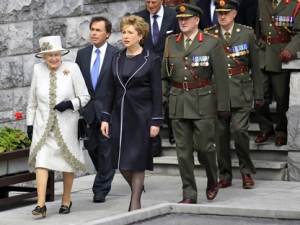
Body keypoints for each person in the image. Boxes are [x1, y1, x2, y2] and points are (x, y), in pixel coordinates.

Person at [161, 3, 230, 204]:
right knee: (183, 153)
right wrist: (162, 99)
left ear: (197, 20)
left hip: (203, 102)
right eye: (180, 19)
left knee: (206, 148)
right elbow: (164, 75)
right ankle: (189, 193)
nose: (182, 22)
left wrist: (223, 105)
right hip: (178, 101)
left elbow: (221, 77)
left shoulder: (211, 42)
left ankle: (211, 179)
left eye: (187, 19)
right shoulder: (170, 42)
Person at [100, 15, 163, 211]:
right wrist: (105, 117)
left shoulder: (151, 59)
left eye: (130, 33)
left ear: (140, 35)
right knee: (122, 163)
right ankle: (138, 187)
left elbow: (157, 93)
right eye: (124, 32)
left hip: (142, 116)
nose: (125, 36)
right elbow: (110, 90)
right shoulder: (116, 57)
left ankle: (134, 203)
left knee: (137, 161)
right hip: (120, 116)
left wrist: (156, 121)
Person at [27, 36, 90, 217]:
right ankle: (41, 204)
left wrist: (70, 104)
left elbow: (85, 97)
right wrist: (30, 124)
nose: (53, 59)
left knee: (67, 162)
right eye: (49, 56)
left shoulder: (72, 69)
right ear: (43, 57)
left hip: (67, 124)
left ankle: (66, 199)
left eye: (56, 55)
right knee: (41, 160)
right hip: (43, 126)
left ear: (61, 54)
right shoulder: (37, 70)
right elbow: (32, 101)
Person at [205, 0, 264, 189]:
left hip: (241, 90)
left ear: (235, 13)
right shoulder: (209, 35)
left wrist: (259, 93)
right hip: (217, 93)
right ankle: (225, 174)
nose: (222, 16)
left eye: (226, 12)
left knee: (239, 131)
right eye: (219, 12)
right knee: (221, 137)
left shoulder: (246, 33)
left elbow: (255, 66)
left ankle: (246, 172)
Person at [75, 16, 119, 203]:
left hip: (107, 111)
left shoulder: (116, 54)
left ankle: (100, 189)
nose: (94, 33)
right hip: (88, 112)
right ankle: (105, 172)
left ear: (107, 34)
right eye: (92, 29)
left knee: (106, 149)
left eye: (98, 30)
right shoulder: (82, 54)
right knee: (92, 147)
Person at [135, 0, 181, 149]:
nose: (150, 5)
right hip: (147, 68)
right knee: (150, 101)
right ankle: (154, 142)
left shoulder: (173, 15)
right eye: (147, 2)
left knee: (170, 100)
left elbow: (179, 40)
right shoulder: (139, 18)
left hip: (169, 67)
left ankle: (174, 133)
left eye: (153, 1)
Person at [254, 0, 300, 146]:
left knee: (281, 97)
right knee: (260, 94)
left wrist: (290, 49)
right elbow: (257, 28)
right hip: (262, 54)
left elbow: (298, 34)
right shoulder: (262, 2)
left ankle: (281, 131)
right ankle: (266, 128)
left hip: (281, 55)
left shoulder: (295, 5)